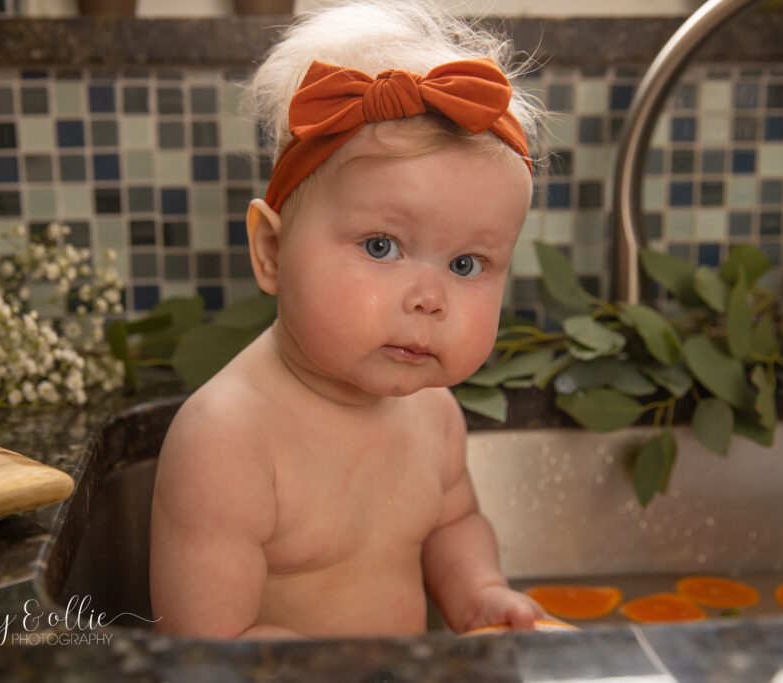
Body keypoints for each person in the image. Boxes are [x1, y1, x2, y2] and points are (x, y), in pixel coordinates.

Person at [150, 0, 545, 639]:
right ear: (272, 252)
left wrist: (478, 592)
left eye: (467, 263)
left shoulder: (432, 409)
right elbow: (208, 652)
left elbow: (451, 525)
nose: (430, 298)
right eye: (381, 246)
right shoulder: (228, 441)